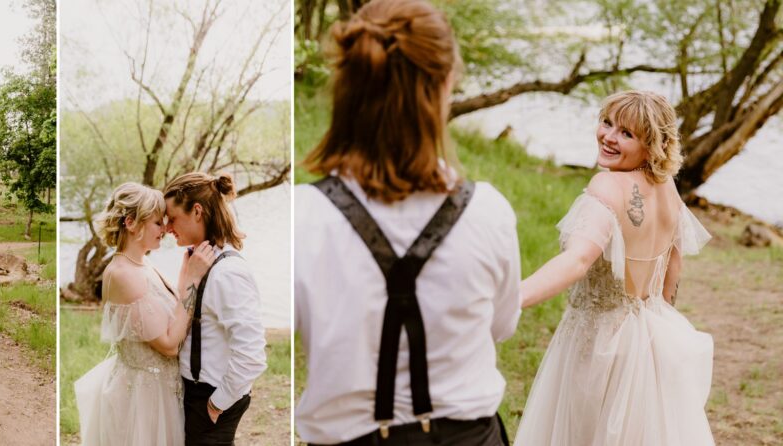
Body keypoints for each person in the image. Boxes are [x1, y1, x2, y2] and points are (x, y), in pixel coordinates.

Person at [294, 1, 521, 444]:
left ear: (348, 86)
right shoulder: (488, 213)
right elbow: (501, 326)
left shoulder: (305, 218)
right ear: (446, 84)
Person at [515, 90, 714, 446]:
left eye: (626, 133)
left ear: (651, 146)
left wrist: (512, 297)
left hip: (598, 341)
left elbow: (578, 259)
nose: (608, 137)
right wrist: (660, 328)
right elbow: (673, 268)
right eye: (607, 123)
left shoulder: (606, 185)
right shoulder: (667, 188)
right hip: (648, 337)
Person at [74, 182, 215, 446]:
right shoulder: (123, 274)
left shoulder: (142, 264)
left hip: (161, 389)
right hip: (144, 398)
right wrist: (192, 282)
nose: (165, 229)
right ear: (131, 223)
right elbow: (169, 345)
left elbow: (170, 310)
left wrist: (185, 276)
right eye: (157, 223)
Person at [163, 172, 268, 446]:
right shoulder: (201, 262)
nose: (167, 227)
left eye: (172, 218)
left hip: (210, 401)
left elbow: (252, 354)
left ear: (197, 211)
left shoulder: (228, 272)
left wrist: (217, 403)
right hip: (195, 396)